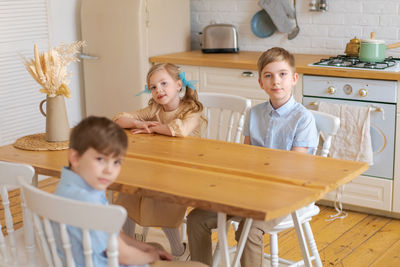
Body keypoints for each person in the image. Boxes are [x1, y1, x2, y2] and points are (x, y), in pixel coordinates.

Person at [187, 47, 319, 267]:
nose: (276, 81)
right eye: (268, 76)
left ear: (294, 78)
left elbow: (295, 167)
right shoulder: (254, 113)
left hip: (287, 195)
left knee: (248, 230)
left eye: (282, 74)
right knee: (196, 219)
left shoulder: (303, 119)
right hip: (250, 190)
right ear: (261, 83)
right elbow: (246, 156)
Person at [53, 116, 206, 267]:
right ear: (75, 157)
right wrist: (149, 256)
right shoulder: (89, 203)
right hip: (109, 262)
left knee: (155, 247)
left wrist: (143, 247)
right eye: (100, 159)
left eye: (116, 162)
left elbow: (110, 233)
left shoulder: (68, 187)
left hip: (78, 260)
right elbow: (124, 256)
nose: (109, 170)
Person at [113, 63, 206, 261]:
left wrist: (153, 129)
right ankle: (129, 242)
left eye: (164, 83)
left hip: (185, 170)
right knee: (127, 190)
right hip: (159, 167)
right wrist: (140, 123)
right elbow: (119, 119)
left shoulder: (191, 110)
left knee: (160, 197)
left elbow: (179, 130)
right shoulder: (155, 108)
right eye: (153, 87)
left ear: (178, 85)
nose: (159, 90)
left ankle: (178, 250)